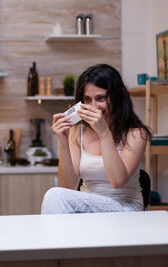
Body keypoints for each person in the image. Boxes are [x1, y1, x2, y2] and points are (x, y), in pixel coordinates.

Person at [41, 64, 151, 214]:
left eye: (100, 99)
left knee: (54, 195)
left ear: (116, 97)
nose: (94, 107)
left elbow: (117, 181)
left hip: (125, 208)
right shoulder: (77, 131)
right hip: (88, 208)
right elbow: (68, 186)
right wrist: (63, 142)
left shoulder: (136, 134)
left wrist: (104, 133)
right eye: (87, 99)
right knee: (55, 195)